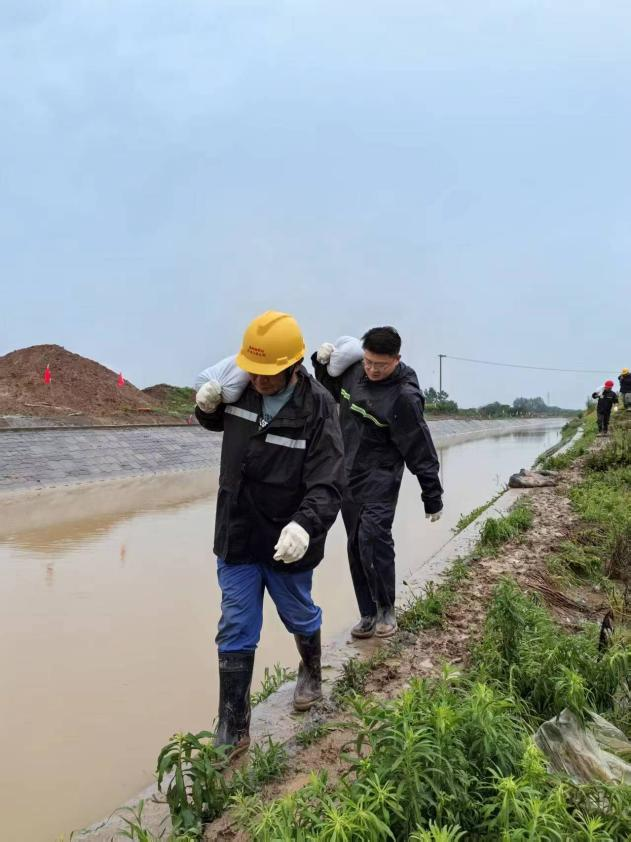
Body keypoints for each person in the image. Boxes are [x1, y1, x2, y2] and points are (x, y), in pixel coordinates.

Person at [195, 311, 345, 758]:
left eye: (268, 374)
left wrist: (305, 525)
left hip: (288, 536)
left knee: (298, 613)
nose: (258, 380)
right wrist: (206, 407)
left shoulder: (318, 407)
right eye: (253, 371)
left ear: (293, 366)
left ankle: (311, 671)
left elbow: (328, 481)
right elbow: (217, 422)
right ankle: (233, 725)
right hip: (238, 529)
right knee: (236, 622)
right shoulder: (241, 383)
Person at [312, 326, 443, 640]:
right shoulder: (354, 372)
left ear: (396, 359)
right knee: (356, 543)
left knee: (373, 537)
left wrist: (432, 495)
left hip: (381, 475)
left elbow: (420, 446)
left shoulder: (404, 398)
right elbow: (329, 387)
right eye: (368, 362)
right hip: (348, 473)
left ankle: (386, 609)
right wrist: (320, 362)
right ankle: (367, 613)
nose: (372, 370)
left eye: (380, 365)